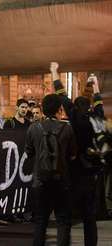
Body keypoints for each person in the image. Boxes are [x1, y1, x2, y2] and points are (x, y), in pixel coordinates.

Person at [50, 62, 106, 246]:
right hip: (91, 174)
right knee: (90, 217)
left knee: (66, 215)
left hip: (73, 174)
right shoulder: (96, 117)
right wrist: (95, 82)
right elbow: (99, 100)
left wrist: (54, 71)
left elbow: (61, 94)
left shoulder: (73, 117)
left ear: (73, 108)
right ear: (89, 107)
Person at [25, 94, 77, 246]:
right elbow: (73, 155)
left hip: (39, 182)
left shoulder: (33, 128)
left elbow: (28, 153)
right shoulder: (67, 129)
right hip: (62, 181)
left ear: (42, 109)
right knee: (63, 221)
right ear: (59, 109)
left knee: (41, 221)